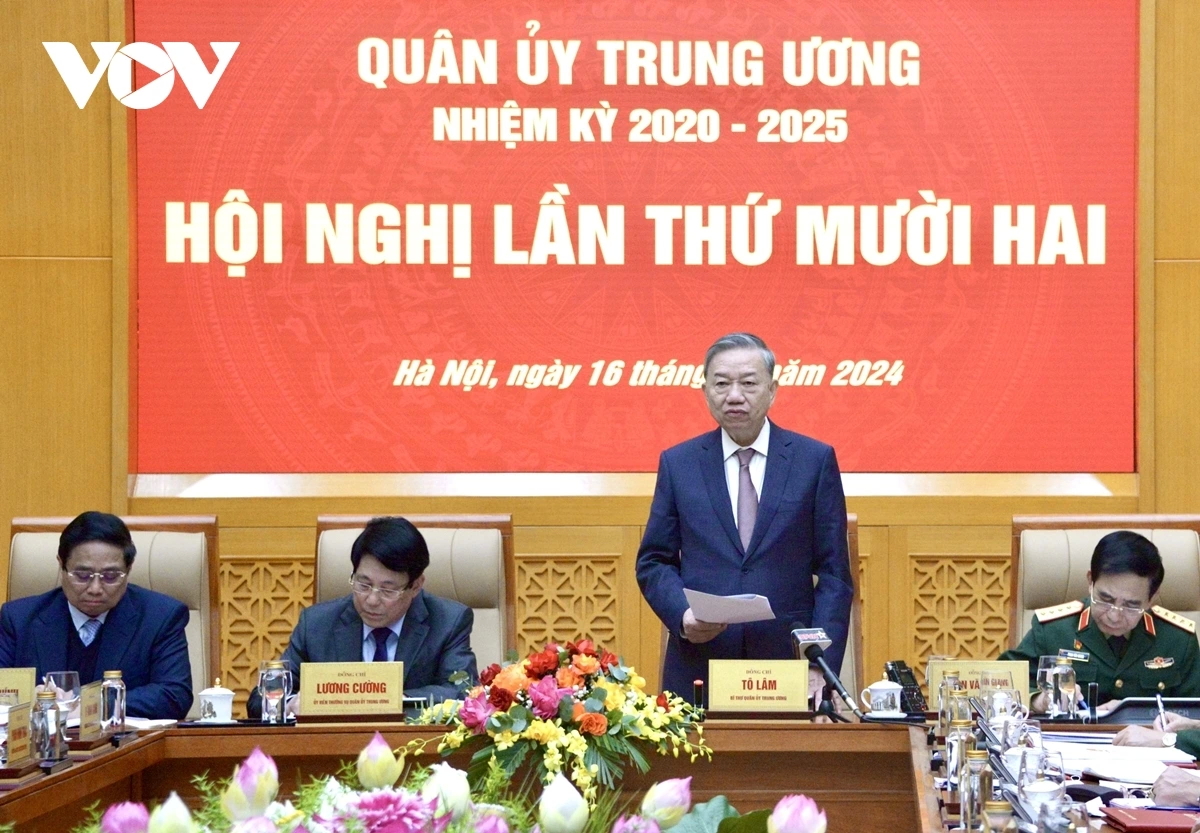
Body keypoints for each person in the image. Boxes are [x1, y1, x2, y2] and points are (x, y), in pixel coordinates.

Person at [636, 332, 854, 703]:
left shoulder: (813, 461)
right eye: (721, 383)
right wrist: (683, 615)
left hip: (787, 667)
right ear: (705, 391)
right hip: (700, 665)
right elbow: (654, 561)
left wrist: (818, 663)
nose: (734, 395)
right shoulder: (679, 463)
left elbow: (834, 574)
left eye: (749, 383)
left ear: (772, 390)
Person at [247, 516, 477, 717]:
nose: (372, 600)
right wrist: (289, 704)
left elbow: (462, 692)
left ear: (416, 586)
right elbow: (261, 699)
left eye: (388, 590)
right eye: (363, 584)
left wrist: (387, 700)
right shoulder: (316, 624)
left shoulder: (448, 622)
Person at [0, 511, 193, 719]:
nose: (95, 588)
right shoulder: (19, 619)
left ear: (129, 569)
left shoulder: (161, 617)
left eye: (110, 576)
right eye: (82, 575)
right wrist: (29, 699)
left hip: (125, 739)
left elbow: (175, 695)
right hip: (44, 738)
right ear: (61, 564)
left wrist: (89, 705)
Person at [1000, 530, 1200, 713]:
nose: (1114, 616)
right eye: (1105, 599)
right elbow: (1000, 683)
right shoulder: (1052, 630)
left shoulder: (1179, 640)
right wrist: (1038, 700)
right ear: (1090, 582)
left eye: (1131, 606)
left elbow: (1194, 715)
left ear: (1152, 599)